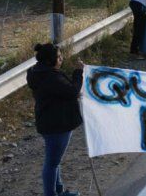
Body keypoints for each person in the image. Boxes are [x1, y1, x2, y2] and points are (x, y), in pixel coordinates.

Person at [26, 43, 83, 196]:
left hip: (48, 122)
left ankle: (59, 191)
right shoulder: (50, 77)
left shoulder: (37, 72)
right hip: (57, 125)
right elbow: (71, 91)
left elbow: (62, 91)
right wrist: (78, 72)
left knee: (54, 161)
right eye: (58, 57)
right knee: (52, 164)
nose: (61, 59)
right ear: (50, 61)